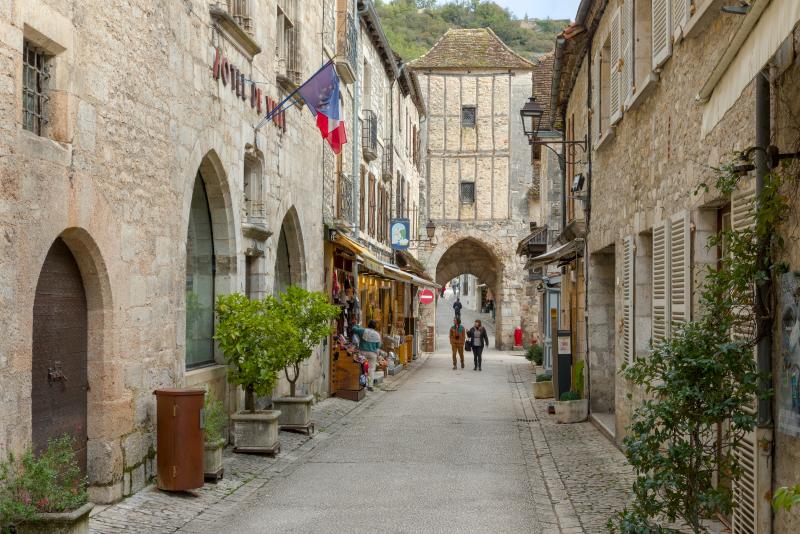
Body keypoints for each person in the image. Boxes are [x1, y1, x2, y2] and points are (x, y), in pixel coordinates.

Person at [352, 320, 381, 391]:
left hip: (362, 352)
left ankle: (360, 384)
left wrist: (357, 325)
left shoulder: (363, 331)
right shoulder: (377, 334)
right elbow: (378, 346)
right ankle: (370, 386)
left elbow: (354, 329)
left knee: (361, 368)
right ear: (375, 327)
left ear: (368, 324)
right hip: (372, 354)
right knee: (371, 369)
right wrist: (378, 356)